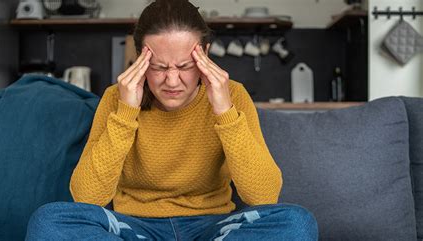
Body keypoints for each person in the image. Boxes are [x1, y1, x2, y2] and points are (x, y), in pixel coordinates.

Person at [25, 0, 318, 240]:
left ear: (204, 54)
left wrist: (225, 112)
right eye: (158, 67)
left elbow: (264, 195)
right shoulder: (116, 98)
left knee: (297, 222)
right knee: (48, 222)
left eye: (185, 66)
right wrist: (126, 112)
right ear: (140, 58)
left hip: (213, 229)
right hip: (133, 228)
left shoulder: (233, 95)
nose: (172, 81)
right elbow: (87, 198)